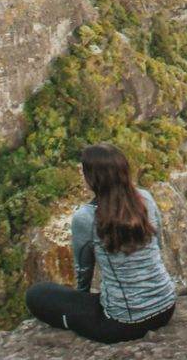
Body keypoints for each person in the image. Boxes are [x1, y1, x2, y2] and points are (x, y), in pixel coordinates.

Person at [25, 143, 177, 343]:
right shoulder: (145, 199)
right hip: (166, 306)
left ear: (93, 178)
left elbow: (84, 270)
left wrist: (80, 301)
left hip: (125, 323)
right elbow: (157, 245)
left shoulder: (87, 217)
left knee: (36, 294)